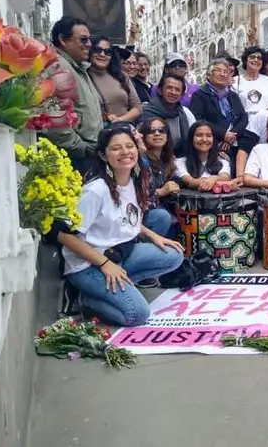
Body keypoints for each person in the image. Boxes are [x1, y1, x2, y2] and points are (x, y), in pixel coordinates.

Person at [56, 124, 184, 326]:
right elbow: (65, 235)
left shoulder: (132, 181)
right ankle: (85, 300)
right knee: (137, 314)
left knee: (173, 255)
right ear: (104, 156)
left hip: (119, 254)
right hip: (89, 265)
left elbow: (126, 216)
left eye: (129, 146)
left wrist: (153, 235)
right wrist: (105, 265)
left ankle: (118, 285)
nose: (125, 152)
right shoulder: (95, 191)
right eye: (116, 148)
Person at [43, 16, 104, 178]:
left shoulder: (77, 68)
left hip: (86, 154)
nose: (89, 45)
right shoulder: (58, 66)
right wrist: (80, 148)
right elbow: (54, 118)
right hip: (74, 158)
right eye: (83, 40)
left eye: (90, 40)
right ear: (63, 40)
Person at [188, 57, 247, 164]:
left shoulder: (232, 95)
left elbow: (243, 118)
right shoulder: (200, 95)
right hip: (211, 143)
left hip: (234, 142)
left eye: (226, 72)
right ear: (209, 74)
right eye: (218, 70)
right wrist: (223, 134)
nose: (222, 74)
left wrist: (232, 135)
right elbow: (197, 119)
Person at [137, 118, 181, 233]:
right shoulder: (141, 160)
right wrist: (160, 192)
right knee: (164, 217)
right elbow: (137, 196)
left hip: (163, 208)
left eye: (161, 130)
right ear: (144, 136)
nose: (157, 134)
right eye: (152, 131)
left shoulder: (168, 159)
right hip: (144, 214)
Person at [140, 74, 196, 156]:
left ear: (182, 95)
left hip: (179, 158)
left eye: (177, 89)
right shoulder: (146, 112)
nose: (173, 92)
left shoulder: (183, 113)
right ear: (160, 90)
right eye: (169, 88)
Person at [175, 121, 235, 191]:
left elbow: (225, 177)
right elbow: (189, 182)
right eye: (199, 135)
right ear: (191, 138)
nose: (204, 139)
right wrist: (212, 181)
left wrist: (214, 178)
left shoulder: (222, 161)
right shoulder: (179, 162)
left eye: (209, 135)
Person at [233, 45, 268, 118]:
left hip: (265, 121)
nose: (256, 60)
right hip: (243, 123)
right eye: (252, 57)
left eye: (259, 58)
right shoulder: (235, 81)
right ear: (245, 60)